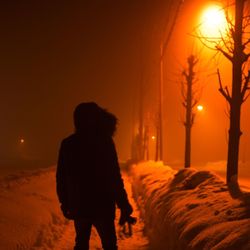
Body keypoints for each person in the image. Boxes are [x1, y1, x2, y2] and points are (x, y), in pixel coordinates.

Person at [56, 102, 133, 250]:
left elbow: (62, 177)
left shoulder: (68, 144)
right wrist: (123, 203)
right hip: (103, 205)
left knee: (81, 244)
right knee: (110, 245)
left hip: (79, 205)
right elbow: (114, 177)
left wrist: (64, 202)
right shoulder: (105, 142)